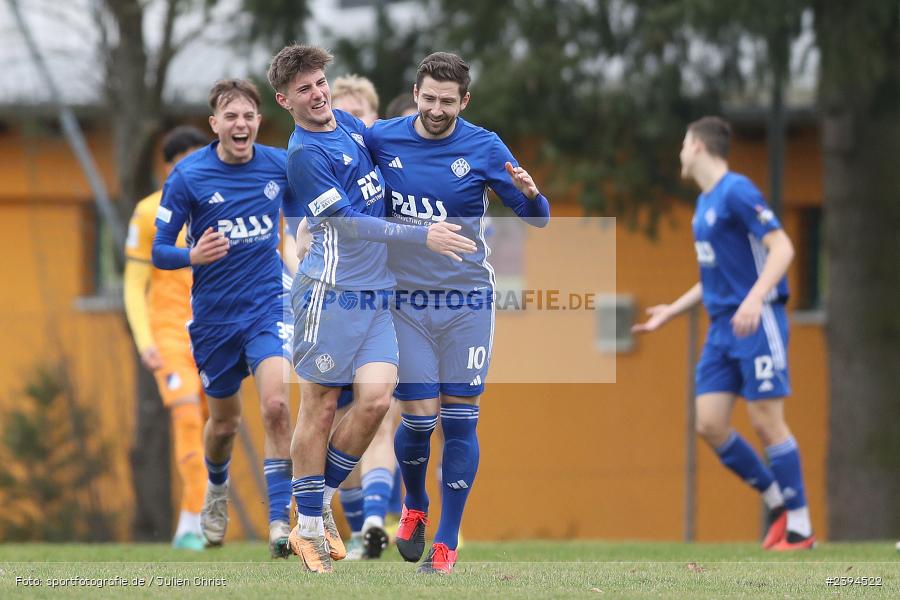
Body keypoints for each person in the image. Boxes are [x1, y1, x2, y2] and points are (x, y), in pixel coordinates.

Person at [266, 43, 476, 573]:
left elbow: (404, 142)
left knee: (379, 401)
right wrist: (420, 234)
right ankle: (311, 523)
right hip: (330, 296)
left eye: (319, 83)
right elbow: (350, 225)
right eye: (303, 90)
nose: (317, 95)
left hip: (378, 294)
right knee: (317, 408)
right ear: (284, 100)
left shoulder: (353, 129)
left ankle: (312, 510)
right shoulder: (304, 155)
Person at [364, 52, 551, 573]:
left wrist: (533, 197)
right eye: (429, 98)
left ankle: (445, 544)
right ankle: (415, 504)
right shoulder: (382, 138)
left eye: (449, 101)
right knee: (420, 419)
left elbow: (538, 218)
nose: (437, 109)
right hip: (405, 302)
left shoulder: (484, 146)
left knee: (461, 419)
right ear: (416, 93)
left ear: (464, 101)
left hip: (467, 301)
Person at [632, 116, 814, 551]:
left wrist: (754, 300)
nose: (679, 153)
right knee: (710, 423)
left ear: (696, 146)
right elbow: (714, 277)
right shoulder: (705, 205)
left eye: (681, 144)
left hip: (756, 321)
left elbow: (783, 248)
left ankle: (801, 528)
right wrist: (670, 312)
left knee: (766, 421)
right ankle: (777, 502)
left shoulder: (737, 190)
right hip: (721, 330)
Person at [151, 79, 302, 558]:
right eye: (230, 117)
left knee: (277, 406)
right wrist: (192, 256)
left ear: (259, 121)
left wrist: (305, 269)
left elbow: (303, 222)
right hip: (215, 319)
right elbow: (159, 251)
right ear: (215, 124)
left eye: (249, 116)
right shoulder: (189, 176)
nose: (241, 124)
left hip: (267, 306)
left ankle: (280, 522)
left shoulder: (280, 166)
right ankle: (216, 492)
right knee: (223, 425)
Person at [124, 125, 209, 551]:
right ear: (168, 166)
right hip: (169, 333)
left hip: (214, 332)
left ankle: (206, 514)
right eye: (186, 162)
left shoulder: (217, 206)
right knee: (187, 414)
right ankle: (189, 524)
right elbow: (133, 283)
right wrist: (145, 342)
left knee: (216, 426)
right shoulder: (148, 212)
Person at [328, 74, 396, 560]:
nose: (351, 123)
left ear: (374, 120)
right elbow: (302, 237)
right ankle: (357, 530)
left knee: (382, 409)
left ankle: (375, 519)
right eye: (341, 114)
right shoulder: (319, 164)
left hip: (391, 304)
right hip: (335, 309)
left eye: (359, 115)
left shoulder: (395, 165)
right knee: (342, 420)